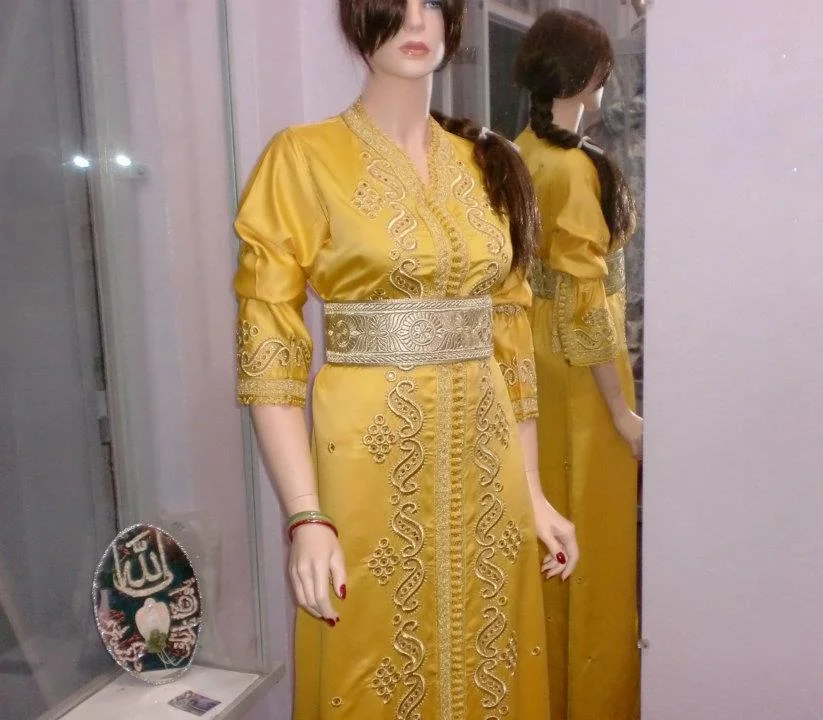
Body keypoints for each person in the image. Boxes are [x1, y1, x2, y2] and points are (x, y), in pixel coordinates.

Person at [232, 1, 578, 718]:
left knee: (490, 651)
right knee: (372, 659)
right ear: (361, 20)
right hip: (368, 455)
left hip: (488, 460)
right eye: (398, 6)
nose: (418, 23)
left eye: (433, 7)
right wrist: (306, 516)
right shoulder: (303, 158)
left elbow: (510, 337)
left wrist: (534, 490)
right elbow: (270, 350)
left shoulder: (490, 165)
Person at [514, 9, 642, 720]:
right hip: (581, 372)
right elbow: (588, 307)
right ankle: (593, 701)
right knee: (590, 543)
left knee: (544, 539)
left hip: (533, 360)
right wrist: (622, 412)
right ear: (591, 76)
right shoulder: (570, 167)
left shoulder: (518, 151)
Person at [585, 0, 648, 413]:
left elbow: (657, 98)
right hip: (622, 159)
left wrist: (609, 117)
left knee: (636, 254)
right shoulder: (636, 37)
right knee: (625, 251)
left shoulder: (657, 37)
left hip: (640, 159)